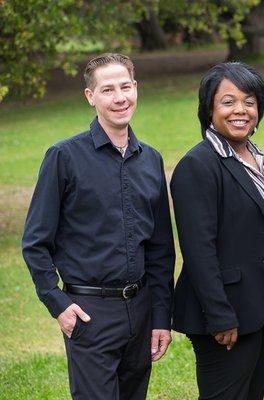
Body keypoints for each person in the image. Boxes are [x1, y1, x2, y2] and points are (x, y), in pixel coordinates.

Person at [22, 53, 175, 399]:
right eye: (107, 90)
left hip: (141, 308)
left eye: (125, 87)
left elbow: (161, 249)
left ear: (136, 89)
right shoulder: (63, 157)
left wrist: (161, 316)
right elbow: (35, 241)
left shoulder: (151, 160)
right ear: (91, 97)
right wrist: (57, 302)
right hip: (89, 313)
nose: (119, 98)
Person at [170, 62, 264, 400]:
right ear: (209, 109)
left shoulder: (255, 157)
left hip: (261, 312)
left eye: (250, 101)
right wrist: (220, 315)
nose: (241, 110)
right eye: (228, 102)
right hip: (228, 319)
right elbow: (198, 250)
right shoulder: (197, 166)